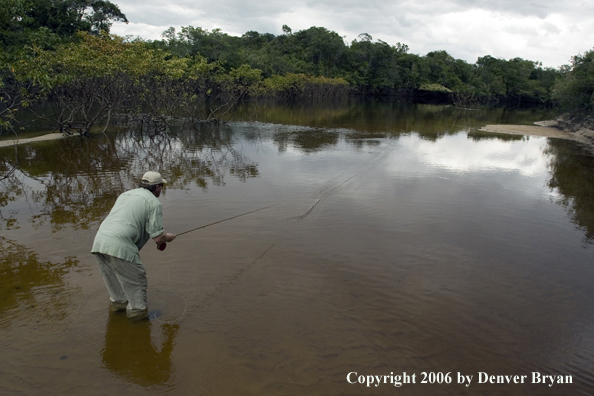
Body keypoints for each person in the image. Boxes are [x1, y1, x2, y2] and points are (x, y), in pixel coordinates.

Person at [92, 171, 176, 321]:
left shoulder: (125, 195)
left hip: (100, 242)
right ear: (157, 187)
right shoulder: (154, 203)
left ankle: (117, 317)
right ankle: (138, 320)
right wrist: (169, 238)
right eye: (161, 186)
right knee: (137, 285)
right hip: (120, 245)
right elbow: (158, 238)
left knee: (116, 289)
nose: (161, 189)